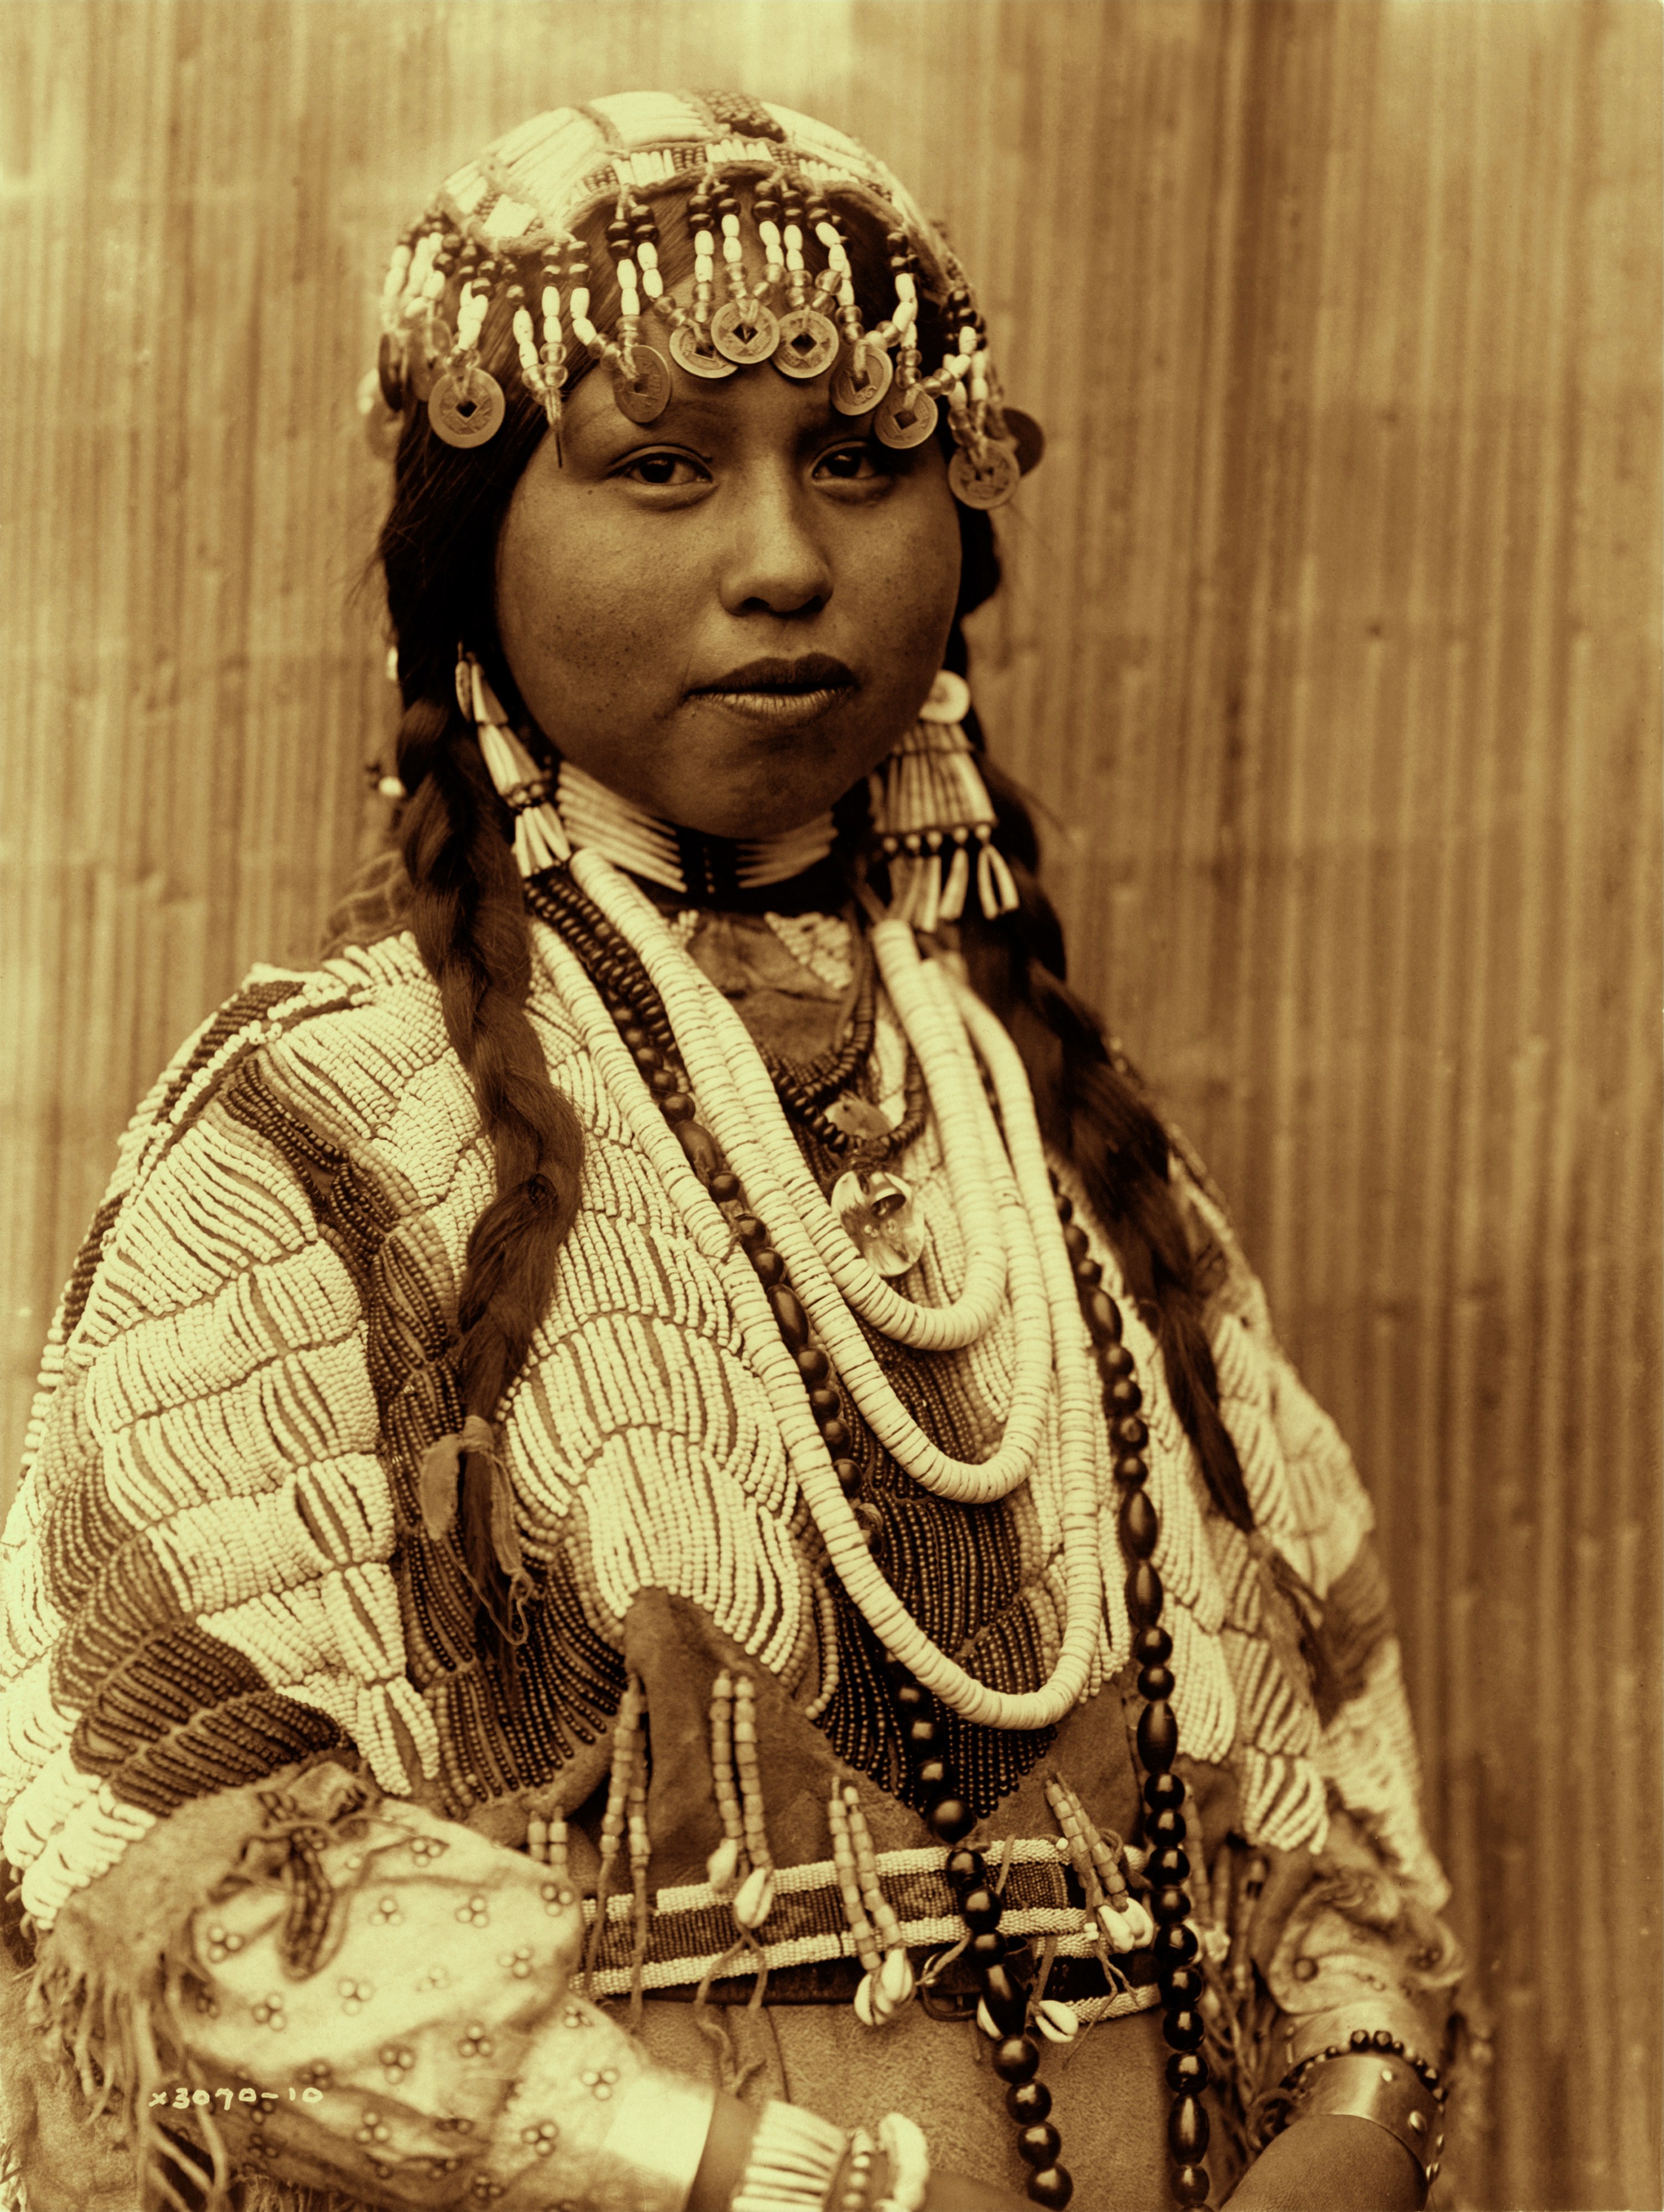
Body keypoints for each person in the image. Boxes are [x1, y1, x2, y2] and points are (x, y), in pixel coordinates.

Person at [0, 91, 1462, 2212]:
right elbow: (157, 1872)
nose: (783, 558)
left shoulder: (1066, 1144)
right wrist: (741, 2171)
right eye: (662, 466)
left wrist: (1355, 2108)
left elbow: (1331, 1771)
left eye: (860, 460)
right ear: (472, 558)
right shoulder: (323, 1136)